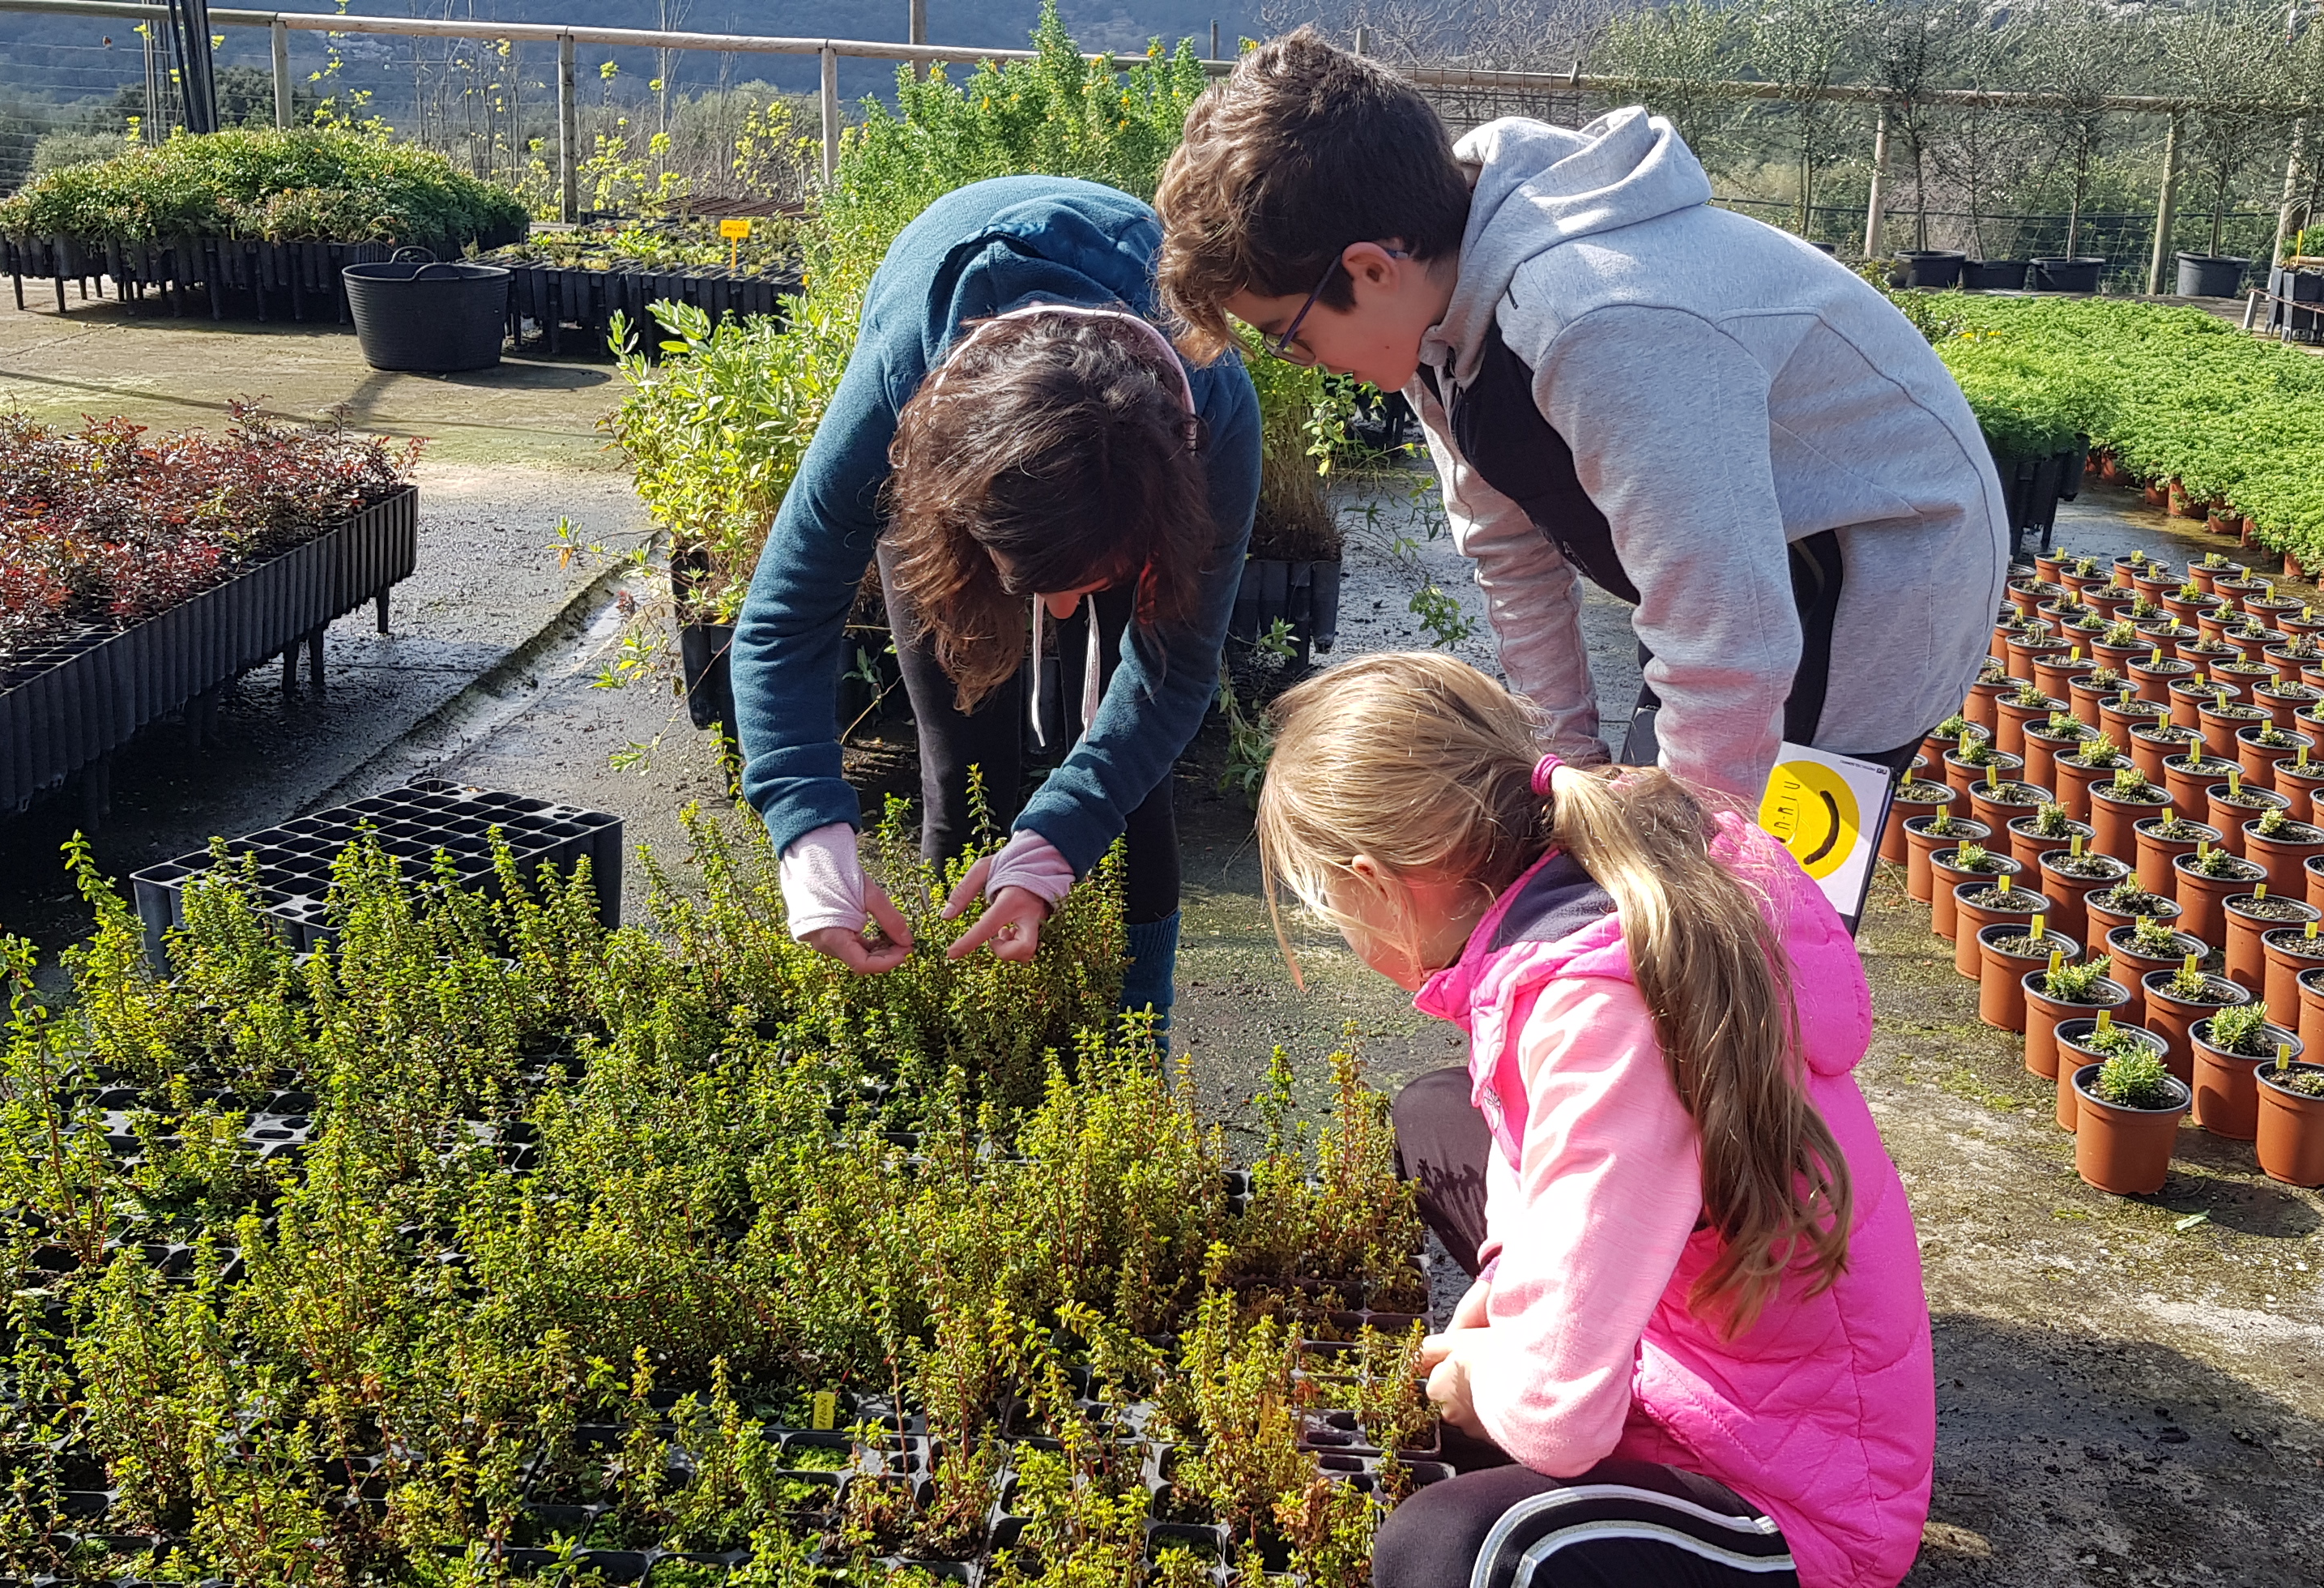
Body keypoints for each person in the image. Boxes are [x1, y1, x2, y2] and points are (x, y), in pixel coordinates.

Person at [1155, 30, 2008, 817]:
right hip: (1753, 573)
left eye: (1288, 335)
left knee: (1760, 903)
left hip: (1876, 580)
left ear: (1372, 269)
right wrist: (1567, 768)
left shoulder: (1598, 322)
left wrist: (1685, 875)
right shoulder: (1435, 320)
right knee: (1641, 840)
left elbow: (1726, 646)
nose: (1297, 358)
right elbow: (1510, 551)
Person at [1253, 652, 1934, 1588]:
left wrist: (1478, 1376)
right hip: (1687, 1348)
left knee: (1451, 1552)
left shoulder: (1602, 1020)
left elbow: (1555, 1423)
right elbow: (1523, 1132)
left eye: (1331, 907)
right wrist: (1502, 1293)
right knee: (1435, 1112)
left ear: (1375, 881)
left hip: (1784, 1489)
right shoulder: (1567, 896)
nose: (1342, 927)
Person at [731, 176, 1261, 1020]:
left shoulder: (1216, 410)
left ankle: (1135, 1038)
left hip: (1138, 464)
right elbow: (784, 617)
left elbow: (1174, 669)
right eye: (1031, 588)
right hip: (957, 415)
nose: (1054, 617)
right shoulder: (901, 378)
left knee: (1131, 784)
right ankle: (966, 1030)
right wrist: (808, 831)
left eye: (1078, 589)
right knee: (961, 751)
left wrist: (1057, 837)